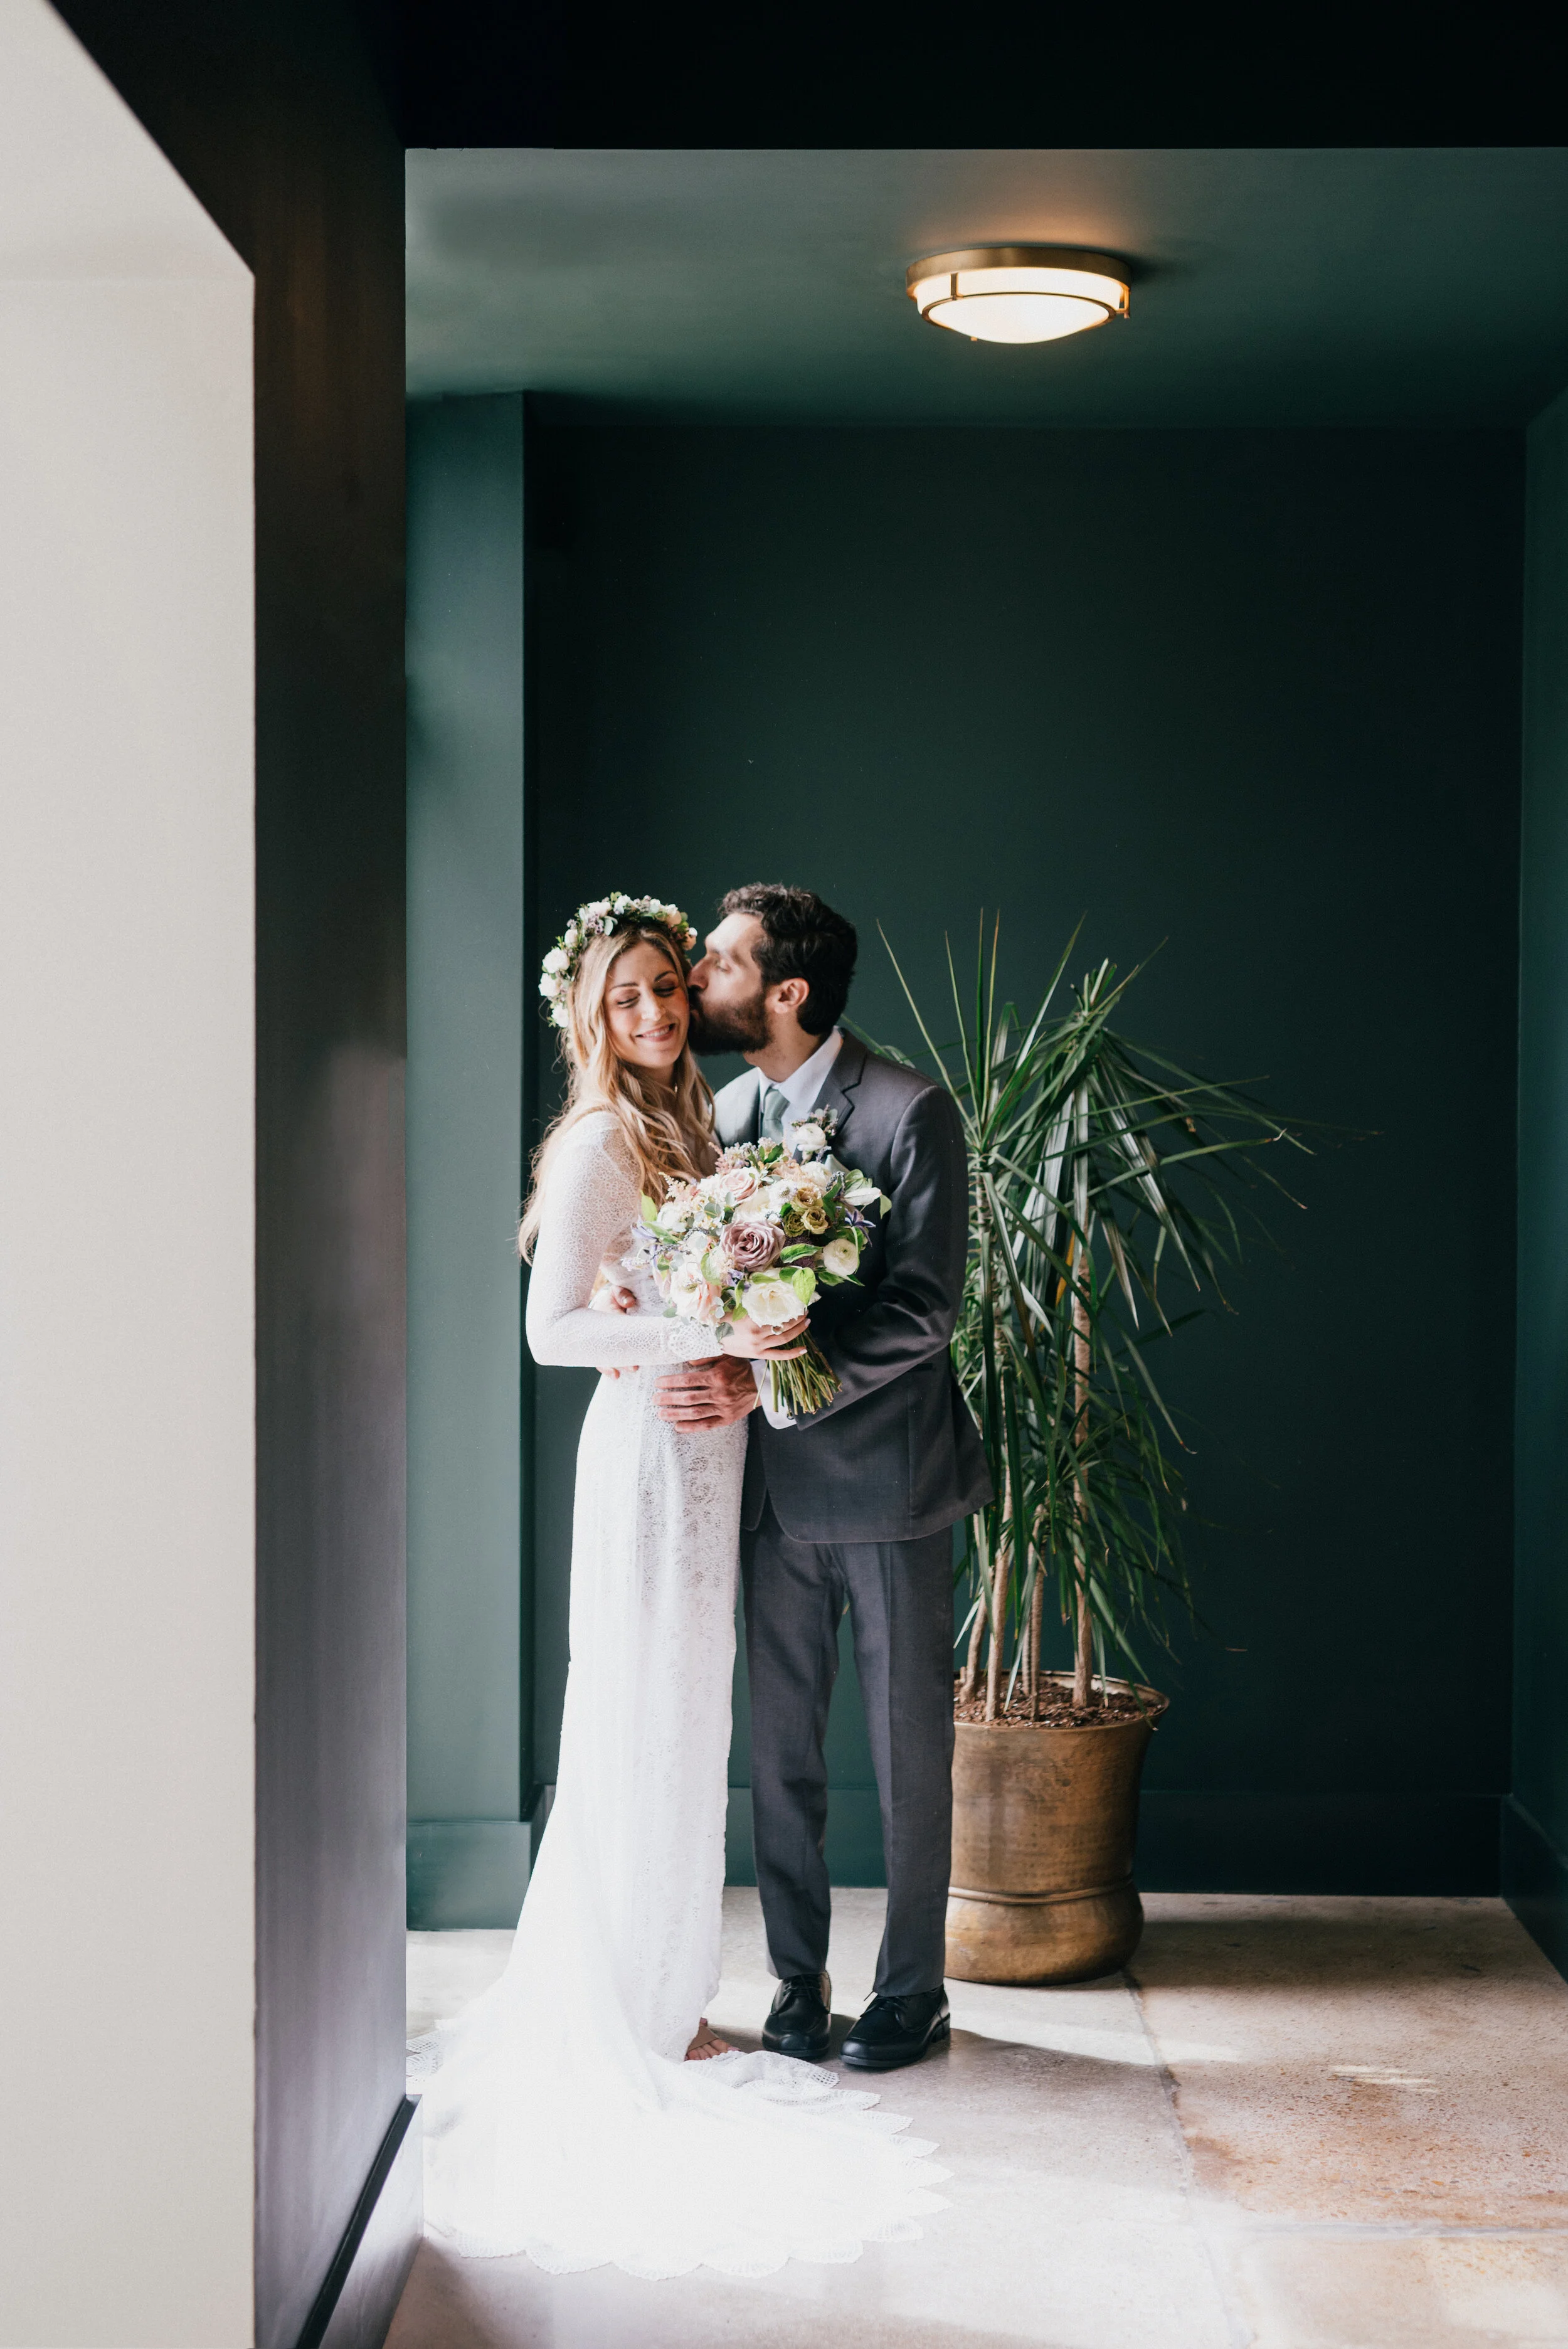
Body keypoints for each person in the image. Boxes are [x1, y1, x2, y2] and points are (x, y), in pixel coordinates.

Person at [412, 893, 947, 2277]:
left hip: (768, 1467)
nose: (669, 1004)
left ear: (780, 991)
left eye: (686, 977)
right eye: (638, 992)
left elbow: (912, 1302)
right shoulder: (614, 1134)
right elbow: (557, 1330)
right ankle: (657, 2003)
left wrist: (747, 1352)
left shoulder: (731, 1119)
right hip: (665, 1463)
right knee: (651, 1719)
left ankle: (792, 1994)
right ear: (590, 1016)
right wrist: (715, 1334)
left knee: (691, 1726)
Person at [657, 884, 992, 2074]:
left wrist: (781, 1380)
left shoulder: (910, 1111)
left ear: (786, 992)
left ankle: (915, 1992)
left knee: (908, 1756)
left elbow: (925, 1309)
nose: (698, 975)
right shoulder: (725, 1113)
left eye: (723, 962)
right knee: (779, 1752)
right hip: (765, 1497)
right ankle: (797, 1984)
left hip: (893, 1489)